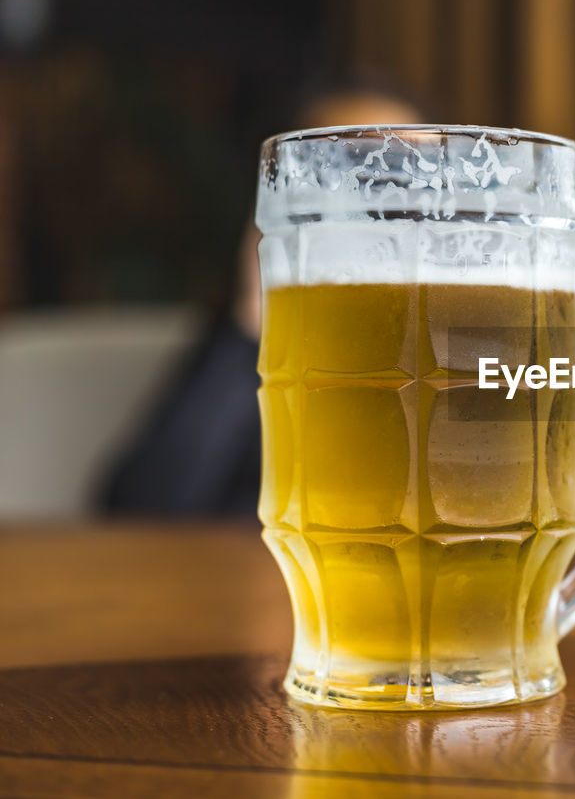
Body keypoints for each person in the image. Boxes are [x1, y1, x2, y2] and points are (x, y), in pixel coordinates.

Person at [99, 85, 423, 517]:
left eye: (398, 171)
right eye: (332, 170)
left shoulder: (470, 342)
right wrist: (254, 318)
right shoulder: (245, 343)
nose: (370, 200)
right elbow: (141, 506)